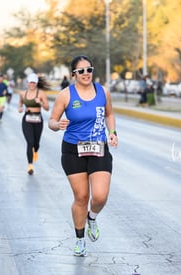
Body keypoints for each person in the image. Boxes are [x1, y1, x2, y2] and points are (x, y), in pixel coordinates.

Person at [48, 55, 118, 257]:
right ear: (73, 74)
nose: (86, 74)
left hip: (98, 148)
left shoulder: (103, 91)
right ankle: (79, 240)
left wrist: (112, 133)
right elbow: (52, 120)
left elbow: (109, 114)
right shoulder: (65, 95)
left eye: (89, 69)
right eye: (81, 71)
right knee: (81, 196)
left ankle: (92, 217)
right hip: (73, 150)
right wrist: (57, 125)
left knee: (100, 195)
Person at [18, 73, 50, 175]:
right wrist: (20, 107)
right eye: (30, 82)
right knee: (30, 142)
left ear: (36, 83)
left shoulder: (41, 93)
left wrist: (40, 102)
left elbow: (47, 108)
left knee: (36, 143)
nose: (32, 84)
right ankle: (30, 166)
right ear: (28, 83)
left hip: (38, 119)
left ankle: (35, 151)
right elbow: (20, 102)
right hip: (27, 119)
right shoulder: (23, 93)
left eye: (34, 82)